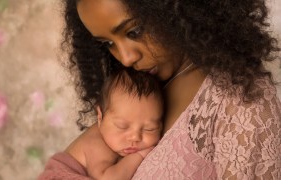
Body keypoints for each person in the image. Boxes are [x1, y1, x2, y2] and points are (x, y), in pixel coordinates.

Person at [42, 0, 281, 179]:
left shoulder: (241, 102)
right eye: (108, 44)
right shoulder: (136, 90)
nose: (126, 58)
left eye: (134, 32)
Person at [38, 68, 163, 180]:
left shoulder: (114, 139)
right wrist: (139, 156)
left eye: (149, 129)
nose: (135, 137)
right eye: (122, 126)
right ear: (100, 117)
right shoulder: (97, 143)